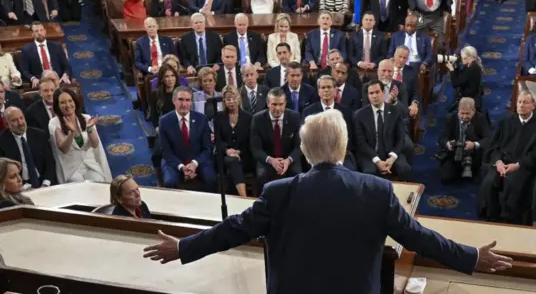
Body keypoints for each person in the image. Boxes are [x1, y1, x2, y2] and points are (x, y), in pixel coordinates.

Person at [143, 109, 512, 294]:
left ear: (303, 150)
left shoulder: (278, 192)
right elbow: (420, 238)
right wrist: (472, 257)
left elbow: (232, 231)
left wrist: (183, 247)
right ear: (345, 147)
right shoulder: (377, 191)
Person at [478, 91, 536, 224]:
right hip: (501, 163)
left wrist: (518, 165)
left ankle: (508, 219)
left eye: (525, 102)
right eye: (519, 102)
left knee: (513, 183)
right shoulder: (506, 122)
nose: (521, 105)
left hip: (523, 166)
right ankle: (490, 216)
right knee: (489, 182)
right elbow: (494, 146)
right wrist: (498, 162)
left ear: (533, 105)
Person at [158, 87, 216, 191]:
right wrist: (181, 166)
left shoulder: (201, 119)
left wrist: (194, 163)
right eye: (180, 99)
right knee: (170, 182)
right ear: (174, 101)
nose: (184, 104)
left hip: (198, 159)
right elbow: (166, 151)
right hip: (174, 161)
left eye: (187, 100)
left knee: (211, 178)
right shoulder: (164, 121)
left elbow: (207, 148)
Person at [49, 89, 112, 183]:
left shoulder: (86, 118)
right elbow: (64, 149)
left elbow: (95, 144)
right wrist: (72, 133)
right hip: (72, 170)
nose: (68, 105)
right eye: (63, 102)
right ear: (57, 106)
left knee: (99, 181)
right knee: (79, 188)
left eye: (70, 101)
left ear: (75, 101)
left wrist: (90, 129)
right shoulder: (54, 123)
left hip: (90, 164)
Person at [0, 106, 56, 189]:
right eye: (14, 120)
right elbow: (4, 172)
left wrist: (45, 184)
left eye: (21, 118)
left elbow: (50, 163)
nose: (20, 123)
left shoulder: (39, 135)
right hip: (19, 186)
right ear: (7, 124)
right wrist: (24, 187)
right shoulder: (2, 142)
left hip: (44, 182)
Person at [437, 97, 491, 182]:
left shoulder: (481, 118)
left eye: (468, 113)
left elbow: (489, 138)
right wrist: (448, 144)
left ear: (474, 111)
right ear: (458, 110)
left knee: (482, 179)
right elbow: (442, 138)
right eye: (462, 113)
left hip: (474, 154)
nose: (464, 117)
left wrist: (474, 145)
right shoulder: (451, 118)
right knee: (445, 178)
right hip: (455, 153)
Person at [214, 86, 252, 197]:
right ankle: (244, 197)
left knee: (233, 167)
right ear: (224, 102)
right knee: (232, 161)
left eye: (234, 98)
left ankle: (236, 198)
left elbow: (250, 140)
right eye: (228, 99)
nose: (231, 102)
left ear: (239, 98)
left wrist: (239, 152)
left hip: (244, 156)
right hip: (224, 157)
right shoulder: (218, 118)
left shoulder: (248, 117)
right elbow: (217, 141)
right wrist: (227, 150)